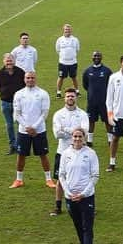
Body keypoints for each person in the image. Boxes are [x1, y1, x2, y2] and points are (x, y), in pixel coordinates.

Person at [58, 128, 99, 244]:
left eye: (80, 136)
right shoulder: (65, 154)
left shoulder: (91, 154)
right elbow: (61, 175)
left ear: (84, 138)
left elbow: (95, 176)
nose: (77, 139)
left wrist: (84, 193)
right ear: (71, 138)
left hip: (86, 197)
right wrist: (68, 192)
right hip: (70, 197)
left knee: (87, 226)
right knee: (78, 225)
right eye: (75, 136)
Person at [10, 71, 54, 189]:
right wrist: (27, 127)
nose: (30, 80)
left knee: (43, 154)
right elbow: (17, 113)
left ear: (36, 79)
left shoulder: (43, 93)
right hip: (23, 131)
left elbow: (45, 113)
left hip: (39, 130)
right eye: (28, 78)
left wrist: (34, 127)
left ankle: (48, 179)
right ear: (24, 79)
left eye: (32, 78)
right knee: (21, 155)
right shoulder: (19, 94)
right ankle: (19, 179)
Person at [50, 89, 90, 217]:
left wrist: (66, 130)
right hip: (62, 152)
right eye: (68, 96)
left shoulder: (83, 114)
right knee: (61, 180)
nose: (70, 98)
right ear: (64, 98)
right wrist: (75, 132)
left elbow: (84, 131)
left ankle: (86, 205)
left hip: (80, 152)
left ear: (76, 98)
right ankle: (58, 206)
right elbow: (57, 134)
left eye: (72, 96)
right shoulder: (58, 114)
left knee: (83, 178)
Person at [0, 53, 26, 155]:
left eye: (11, 60)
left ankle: (22, 145)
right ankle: (13, 146)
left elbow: (25, 86)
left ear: (14, 61)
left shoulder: (21, 72)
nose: (9, 62)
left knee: (21, 124)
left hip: (19, 104)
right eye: (7, 61)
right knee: (9, 125)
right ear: (4, 62)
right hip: (5, 103)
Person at [81, 51, 112, 145]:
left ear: (101, 57)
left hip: (105, 101)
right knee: (91, 120)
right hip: (92, 101)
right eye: (94, 56)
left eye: (98, 56)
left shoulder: (107, 71)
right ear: (92, 57)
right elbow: (85, 85)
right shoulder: (87, 71)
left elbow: (111, 85)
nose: (96, 57)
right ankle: (90, 140)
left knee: (107, 121)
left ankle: (110, 139)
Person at [54, 23, 81, 97]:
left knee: (74, 77)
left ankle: (77, 91)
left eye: (69, 29)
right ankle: (58, 92)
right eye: (66, 29)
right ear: (63, 30)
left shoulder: (75, 40)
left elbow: (77, 49)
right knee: (61, 77)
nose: (67, 31)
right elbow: (57, 50)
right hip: (63, 62)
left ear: (71, 30)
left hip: (73, 62)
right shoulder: (59, 40)